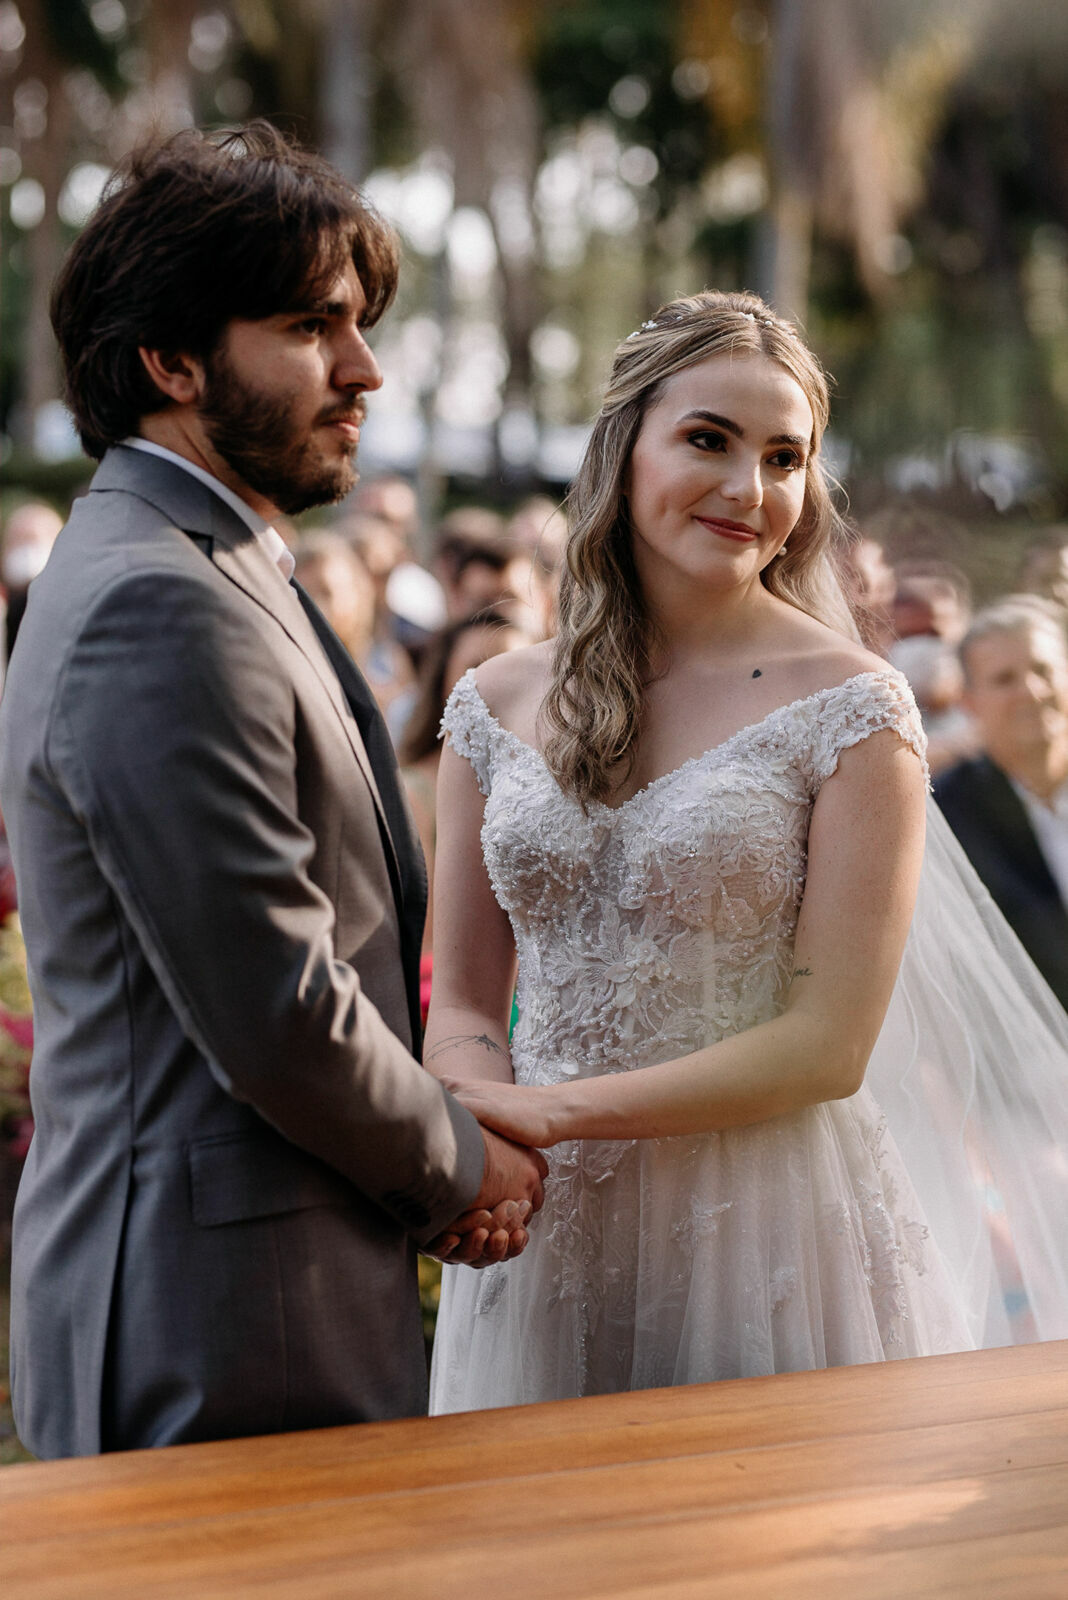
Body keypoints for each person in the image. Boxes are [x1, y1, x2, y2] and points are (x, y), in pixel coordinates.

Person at [0, 121, 545, 1460]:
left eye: (360, 326)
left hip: (248, 1291)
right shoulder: (157, 601)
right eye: (312, 327)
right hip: (221, 1321)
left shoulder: (194, 553)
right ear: (172, 360)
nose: (364, 371)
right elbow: (275, 1000)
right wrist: (464, 1169)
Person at [423, 290, 1068, 1413]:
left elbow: (827, 1046)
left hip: (766, 1223)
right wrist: (481, 1136)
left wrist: (552, 1114)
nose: (748, 490)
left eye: (785, 457)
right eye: (708, 440)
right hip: (543, 1220)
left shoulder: (857, 711)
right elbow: (466, 999)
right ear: (624, 447)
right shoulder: (492, 702)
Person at [934, 597, 1068, 1012]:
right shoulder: (949, 815)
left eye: (1044, 670)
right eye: (1005, 679)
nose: (1032, 691)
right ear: (969, 702)